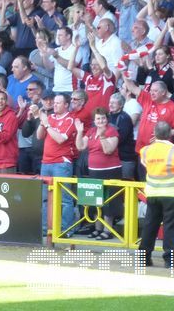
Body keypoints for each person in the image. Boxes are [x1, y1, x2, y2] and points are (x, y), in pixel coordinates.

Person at [138, 121, 174, 269]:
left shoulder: (146, 150)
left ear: (154, 134)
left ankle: (144, 258)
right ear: (170, 135)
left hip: (153, 193)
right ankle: (170, 260)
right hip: (172, 194)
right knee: (171, 228)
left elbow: (145, 164)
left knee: (150, 225)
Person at [75, 108, 120, 240]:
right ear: (94, 120)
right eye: (98, 118)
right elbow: (80, 146)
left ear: (107, 119)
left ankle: (108, 230)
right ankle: (98, 228)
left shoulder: (112, 131)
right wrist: (79, 132)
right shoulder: (91, 131)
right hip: (94, 171)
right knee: (95, 200)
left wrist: (102, 136)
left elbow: (108, 150)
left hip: (110, 170)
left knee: (108, 202)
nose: (101, 121)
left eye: (103, 118)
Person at [37, 93, 77, 237]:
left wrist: (46, 124)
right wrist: (42, 122)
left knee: (65, 199)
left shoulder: (70, 120)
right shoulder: (50, 118)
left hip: (61, 163)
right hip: (46, 162)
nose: (55, 105)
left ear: (66, 105)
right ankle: (46, 229)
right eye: (54, 103)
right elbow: (39, 136)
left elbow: (60, 139)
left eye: (58, 103)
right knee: (45, 198)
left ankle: (66, 230)